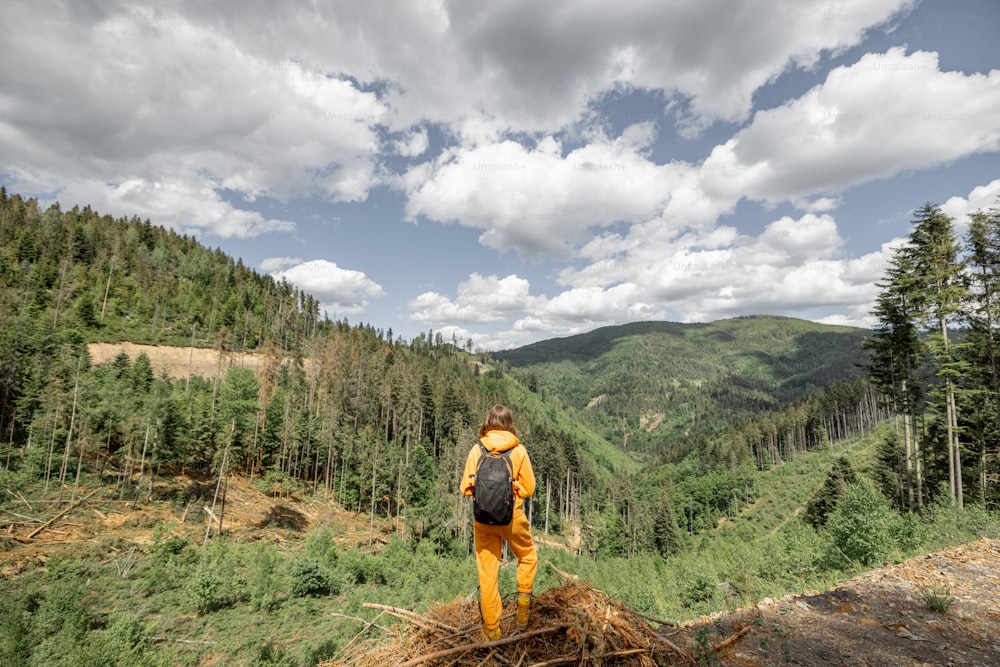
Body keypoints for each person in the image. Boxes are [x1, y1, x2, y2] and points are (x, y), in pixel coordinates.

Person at [461, 405, 538, 641]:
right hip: (511, 517)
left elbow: (465, 488)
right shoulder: (518, 451)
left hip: (483, 520)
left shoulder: (477, 450)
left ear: (488, 423)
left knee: (487, 573)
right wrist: (513, 488)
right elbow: (529, 488)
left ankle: (492, 630)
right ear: (509, 425)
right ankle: (523, 613)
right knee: (527, 556)